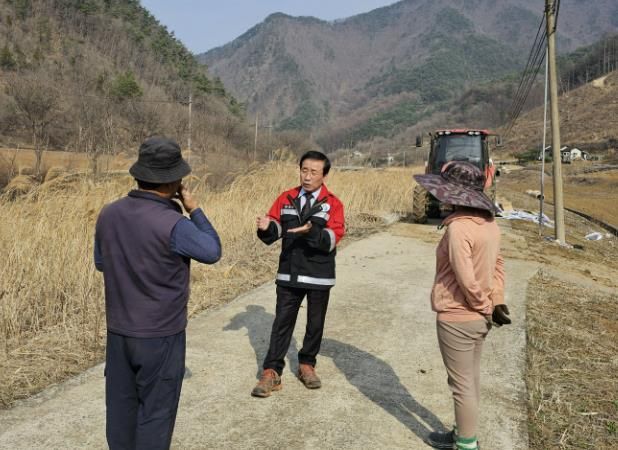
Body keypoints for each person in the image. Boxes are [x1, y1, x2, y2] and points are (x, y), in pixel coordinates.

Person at [94, 137, 221, 450]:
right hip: (160, 335)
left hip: (119, 332)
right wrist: (195, 210)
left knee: (121, 414)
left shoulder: (109, 214)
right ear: (174, 181)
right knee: (156, 415)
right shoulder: (174, 224)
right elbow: (212, 250)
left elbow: (101, 263)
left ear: (140, 174)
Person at [414, 161, 511, 450]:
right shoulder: (490, 224)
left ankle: (466, 444)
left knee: (461, 385)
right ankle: (462, 432)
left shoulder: (458, 228)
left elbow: (465, 278)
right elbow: (498, 265)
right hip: (479, 318)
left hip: (458, 316)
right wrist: (496, 301)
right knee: (470, 380)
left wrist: (483, 305)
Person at [252, 150, 345, 397]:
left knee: (315, 324)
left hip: (319, 275)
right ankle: (272, 371)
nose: (307, 176)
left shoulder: (333, 204)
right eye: (304, 170)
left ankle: (307, 365)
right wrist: (266, 227)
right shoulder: (286, 198)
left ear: (324, 175)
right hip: (289, 273)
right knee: (282, 322)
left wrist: (311, 232)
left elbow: (333, 238)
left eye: (314, 172)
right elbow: (275, 230)